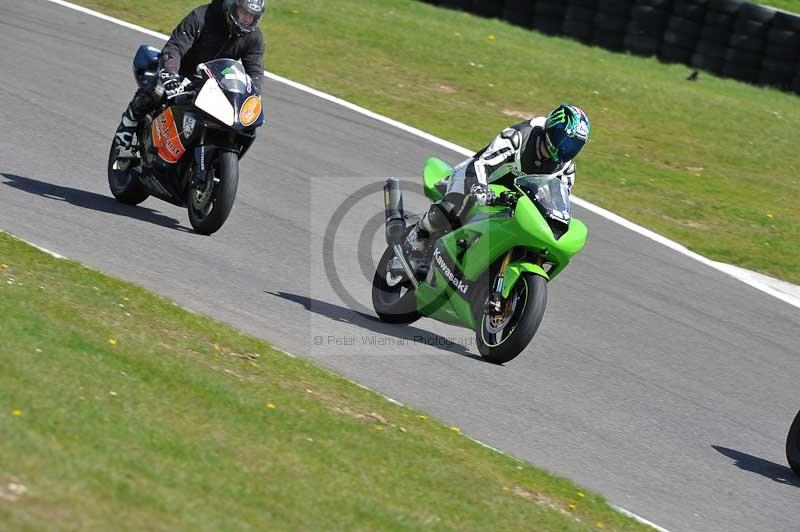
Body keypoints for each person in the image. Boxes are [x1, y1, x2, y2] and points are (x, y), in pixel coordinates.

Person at [406, 103, 591, 254]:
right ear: (551, 130)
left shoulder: (566, 170)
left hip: (512, 200)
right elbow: (481, 164)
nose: (567, 149)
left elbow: (558, 201)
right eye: (564, 140)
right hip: (479, 179)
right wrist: (479, 187)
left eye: (575, 145)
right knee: (453, 208)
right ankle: (418, 234)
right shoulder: (518, 137)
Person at [114, 0, 266, 148]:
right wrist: (170, 73)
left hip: (214, 85)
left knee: (238, 125)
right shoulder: (202, 17)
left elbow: (255, 71)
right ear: (231, 6)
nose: (247, 18)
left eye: (252, 15)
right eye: (244, 12)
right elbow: (175, 47)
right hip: (181, 74)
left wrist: (254, 96)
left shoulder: (254, 38)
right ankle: (129, 121)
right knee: (157, 89)